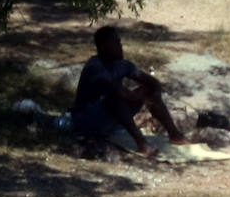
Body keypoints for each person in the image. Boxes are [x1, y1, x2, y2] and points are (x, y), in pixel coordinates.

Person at [71, 26, 187, 156]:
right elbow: (119, 92)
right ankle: (142, 143)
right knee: (115, 100)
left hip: (108, 119)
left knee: (147, 91)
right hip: (87, 120)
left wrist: (155, 94)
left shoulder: (122, 65)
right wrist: (145, 100)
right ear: (104, 47)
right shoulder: (95, 66)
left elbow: (152, 82)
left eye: (119, 42)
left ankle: (174, 134)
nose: (120, 46)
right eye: (115, 43)